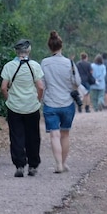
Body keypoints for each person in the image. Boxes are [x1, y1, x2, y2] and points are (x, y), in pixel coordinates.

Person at [0, 39, 44, 178]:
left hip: (14, 107)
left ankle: (19, 165)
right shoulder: (35, 66)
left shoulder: (9, 66)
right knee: (33, 137)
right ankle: (33, 166)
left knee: (16, 136)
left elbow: (3, 87)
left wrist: (9, 99)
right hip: (32, 106)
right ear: (29, 50)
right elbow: (41, 86)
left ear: (16, 51)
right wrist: (37, 99)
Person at [40, 31, 79, 173]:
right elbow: (78, 82)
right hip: (67, 103)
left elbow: (42, 84)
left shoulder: (44, 63)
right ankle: (63, 163)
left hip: (50, 103)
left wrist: (41, 99)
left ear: (49, 47)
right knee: (65, 134)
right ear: (61, 46)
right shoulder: (69, 63)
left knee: (54, 135)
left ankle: (58, 164)